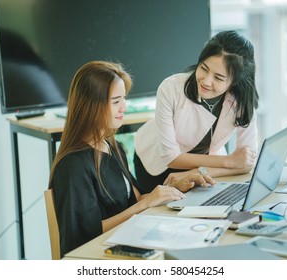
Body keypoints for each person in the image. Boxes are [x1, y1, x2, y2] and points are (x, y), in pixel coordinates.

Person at [48, 61, 215, 257]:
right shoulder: (73, 165)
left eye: (124, 99)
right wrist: (144, 205)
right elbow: (85, 235)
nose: (124, 107)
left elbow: (136, 199)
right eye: (116, 101)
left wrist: (175, 189)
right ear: (91, 105)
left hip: (127, 240)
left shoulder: (113, 147)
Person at [134, 30, 259, 194]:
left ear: (235, 80)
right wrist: (230, 162)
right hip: (157, 166)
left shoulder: (241, 101)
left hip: (208, 167)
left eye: (219, 78)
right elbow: (171, 157)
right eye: (204, 68)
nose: (206, 81)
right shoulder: (171, 88)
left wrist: (197, 173)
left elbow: (246, 163)